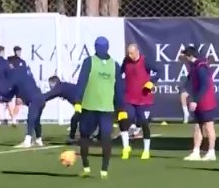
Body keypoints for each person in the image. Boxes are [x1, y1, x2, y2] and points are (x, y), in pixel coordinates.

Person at [73, 37, 125, 179]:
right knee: (85, 136)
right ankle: (86, 167)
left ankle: (104, 170)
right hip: (89, 106)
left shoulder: (114, 65)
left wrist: (121, 108)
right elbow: (82, 82)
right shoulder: (89, 62)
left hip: (106, 108)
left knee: (106, 137)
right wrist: (78, 101)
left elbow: (119, 88)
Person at [120, 44, 161, 160]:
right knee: (124, 120)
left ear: (137, 51)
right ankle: (126, 147)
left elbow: (159, 71)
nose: (130, 55)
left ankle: (146, 150)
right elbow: (120, 73)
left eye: (132, 53)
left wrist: (152, 82)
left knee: (144, 123)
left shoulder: (145, 61)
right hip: (129, 99)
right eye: (128, 53)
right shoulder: (126, 61)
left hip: (144, 99)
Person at [182, 46, 218, 161]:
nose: (184, 59)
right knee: (198, 126)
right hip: (198, 100)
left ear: (189, 56)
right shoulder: (193, 67)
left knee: (209, 126)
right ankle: (196, 152)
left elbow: (205, 85)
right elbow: (189, 81)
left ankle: (211, 152)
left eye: (185, 56)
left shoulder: (201, 67)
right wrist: (186, 92)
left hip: (206, 101)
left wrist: (195, 100)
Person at [9, 58, 45, 148]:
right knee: (36, 120)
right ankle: (39, 139)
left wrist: (5, 95)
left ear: (12, 65)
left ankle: (27, 141)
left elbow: (11, 87)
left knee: (31, 119)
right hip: (40, 97)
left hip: (34, 99)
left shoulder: (15, 73)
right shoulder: (26, 71)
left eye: (9, 64)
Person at [45, 75, 80, 144]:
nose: (50, 87)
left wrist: (37, 99)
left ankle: (72, 138)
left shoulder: (59, 87)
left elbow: (49, 95)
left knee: (75, 119)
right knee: (79, 118)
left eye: (50, 85)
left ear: (53, 84)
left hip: (80, 103)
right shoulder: (63, 85)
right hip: (81, 102)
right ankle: (98, 136)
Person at [6, 46, 27, 125]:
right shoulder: (9, 60)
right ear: (15, 51)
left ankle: (13, 118)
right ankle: (12, 117)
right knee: (8, 100)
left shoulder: (22, 62)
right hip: (10, 83)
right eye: (18, 51)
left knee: (19, 101)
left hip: (19, 83)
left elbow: (24, 73)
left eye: (20, 51)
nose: (19, 53)